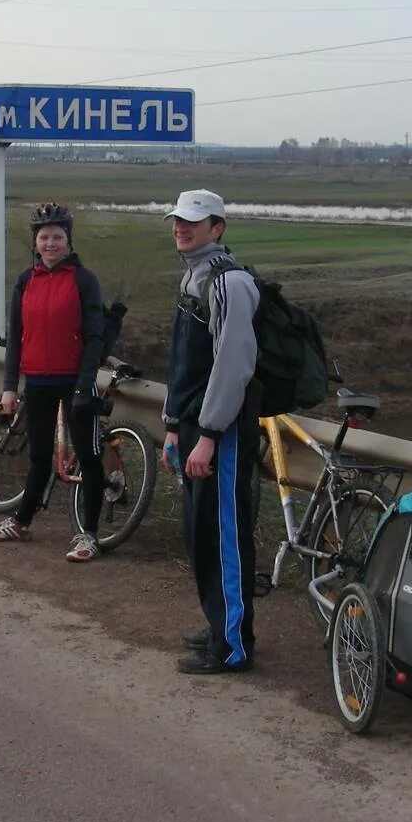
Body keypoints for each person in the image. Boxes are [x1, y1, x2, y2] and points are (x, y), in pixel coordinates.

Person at [160, 189, 260, 675]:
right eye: (178, 220)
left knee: (223, 536)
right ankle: (220, 626)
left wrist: (209, 433)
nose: (182, 228)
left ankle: (234, 645)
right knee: (200, 534)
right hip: (194, 426)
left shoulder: (229, 283)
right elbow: (185, 363)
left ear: (218, 228)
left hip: (221, 431)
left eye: (194, 222)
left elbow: (232, 365)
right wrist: (173, 428)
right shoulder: (194, 276)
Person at [0, 203, 108, 562]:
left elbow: (95, 337)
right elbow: (15, 338)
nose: (51, 244)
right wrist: (8, 387)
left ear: (68, 240)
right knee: (38, 457)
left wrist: (85, 382)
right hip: (37, 379)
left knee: (89, 457)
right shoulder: (25, 280)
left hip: (76, 381)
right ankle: (22, 522)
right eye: (44, 237)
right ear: (36, 242)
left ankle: (89, 535)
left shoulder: (84, 280)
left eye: (58, 237)